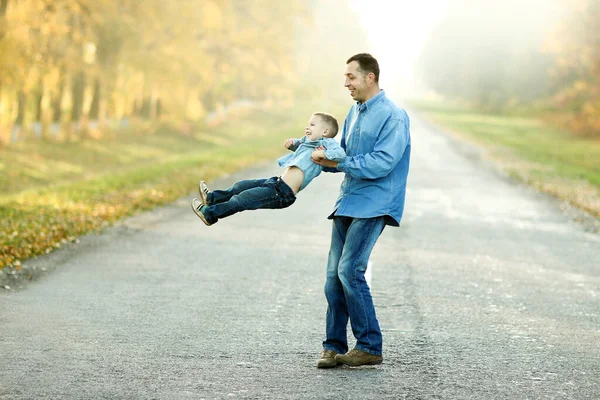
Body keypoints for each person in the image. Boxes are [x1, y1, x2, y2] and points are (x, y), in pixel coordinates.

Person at [311, 53, 412, 368]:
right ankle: (333, 346)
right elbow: (343, 157)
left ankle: (369, 345)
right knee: (332, 277)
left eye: (351, 77)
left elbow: (383, 161)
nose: (346, 83)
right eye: (345, 77)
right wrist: (318, 157)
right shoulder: (353, 113)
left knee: (349, 270)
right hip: (348, 200)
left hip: (375, 202)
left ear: (370, 77)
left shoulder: (393, 115)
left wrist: (339, 162)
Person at [191, 112, 346, 226]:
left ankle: (210, 214)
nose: (307, 127)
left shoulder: (327, 144)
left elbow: (340, 154)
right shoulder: (308, 141)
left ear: (325, 132)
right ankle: (212, 198)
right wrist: (293, 144)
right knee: (240, 186)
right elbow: (301, 146)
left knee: (241, 199)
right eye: (308, 124)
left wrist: (322, 153)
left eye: (312, 125)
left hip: (283, 193)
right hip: (275, 183)